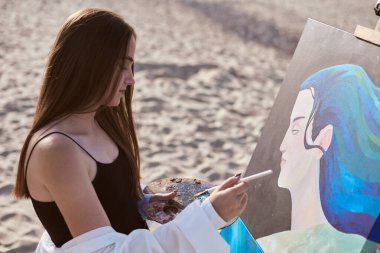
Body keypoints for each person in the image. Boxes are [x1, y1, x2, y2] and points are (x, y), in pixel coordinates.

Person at [13, 8, 249, 253]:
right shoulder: (57, 150)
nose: (131, 79)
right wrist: (209, 215)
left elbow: (105, 199)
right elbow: (105, 250)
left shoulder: (101, 123)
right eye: (122, 66)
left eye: (132, 66)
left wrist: (141, 203)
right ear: (90, 63)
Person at [258, 64, 380, 252]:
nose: (282, 146)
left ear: (323, 139)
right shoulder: (356, 246)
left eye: (295, 129)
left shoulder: (267, 246)